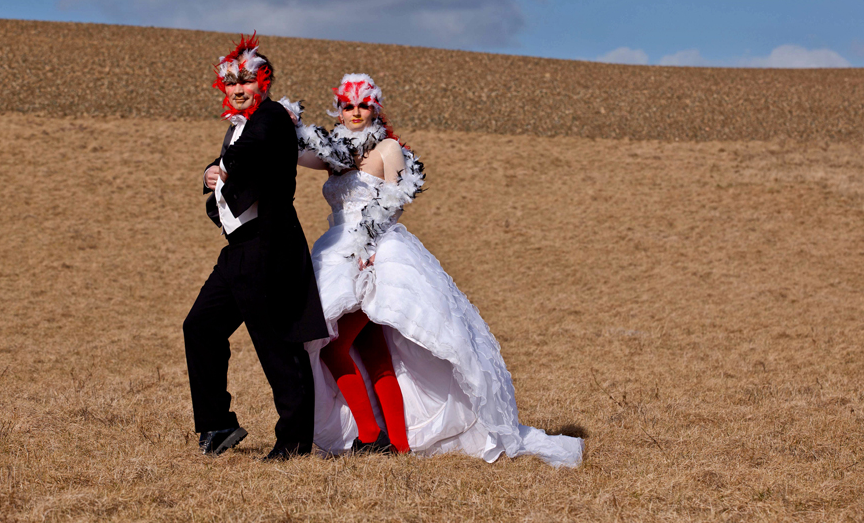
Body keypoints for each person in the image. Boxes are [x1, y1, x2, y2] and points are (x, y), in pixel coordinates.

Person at [284, 73, 582, 466]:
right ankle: (398, 444)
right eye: (347, 106)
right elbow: (292, 152)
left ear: (375, 107)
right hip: (337, 252)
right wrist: (284, 121)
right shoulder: (335, 152)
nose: (355, 112)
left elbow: (395, 200)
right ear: (338, 110)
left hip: (375, 254)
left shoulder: (388, 148)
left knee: (335, 346)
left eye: (363, 105)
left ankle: (372, 437)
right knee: (371, 350)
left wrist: (369, 250)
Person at [183, 34, 328, 460]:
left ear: (263, 82)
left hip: (269, 247)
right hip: (237, 251)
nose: (237, 89)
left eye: (246, 81)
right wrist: (211, 169)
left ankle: (295, 441)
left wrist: (221, 167)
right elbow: (229, 159)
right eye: (231, 84)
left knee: (278, 345)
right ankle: (218, 424)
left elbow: (251, 149)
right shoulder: (237, 125)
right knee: (200, 327)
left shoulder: (273, 117)